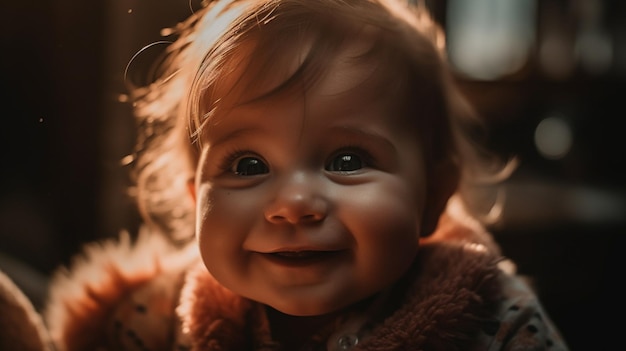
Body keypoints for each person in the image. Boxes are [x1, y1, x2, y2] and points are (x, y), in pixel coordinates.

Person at [41, 0, 569, 350]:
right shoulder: (151, 319)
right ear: (192, 194)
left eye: (347, 160)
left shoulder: (495, 321)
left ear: (433, 194)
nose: (293, 203)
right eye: (248, 165)